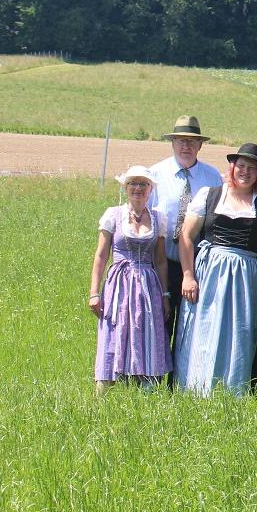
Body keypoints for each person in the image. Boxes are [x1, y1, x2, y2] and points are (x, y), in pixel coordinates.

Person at [173, 144, 257, 396]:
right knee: (203, 328)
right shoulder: (208, 196)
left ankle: (233, 390)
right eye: (241, 166)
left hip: (245, 277)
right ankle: (194, 388)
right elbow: (186, 237)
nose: (245, 172)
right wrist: (188, 276)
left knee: (240, 331)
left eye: (252, 168)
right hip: (207, 272)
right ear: (231, 168)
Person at [89, 166, 173, 393]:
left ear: (150, 189)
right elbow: (101, 255)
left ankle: (147, 390)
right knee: (115, 330)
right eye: (133, 183)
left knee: (147, 330)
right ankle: (105, 388)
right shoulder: (113, 215)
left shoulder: (158, 219)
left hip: (148, 284)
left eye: (143, 184)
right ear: (126, 187)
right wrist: (94, 292)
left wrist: (165, 294)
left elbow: (161, 260)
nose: (138, 188)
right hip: (118, 284)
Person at [148, 115, 223, 363]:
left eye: (191, 141)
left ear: (200, 145)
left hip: (197, 264)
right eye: (181, 140)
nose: (186, 146)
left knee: (191, 324)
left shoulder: (213, 178)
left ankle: (183, 377)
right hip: (161, 262)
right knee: (160, 320)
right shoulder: (155, 175)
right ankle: (156, 374)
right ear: (172, 143)